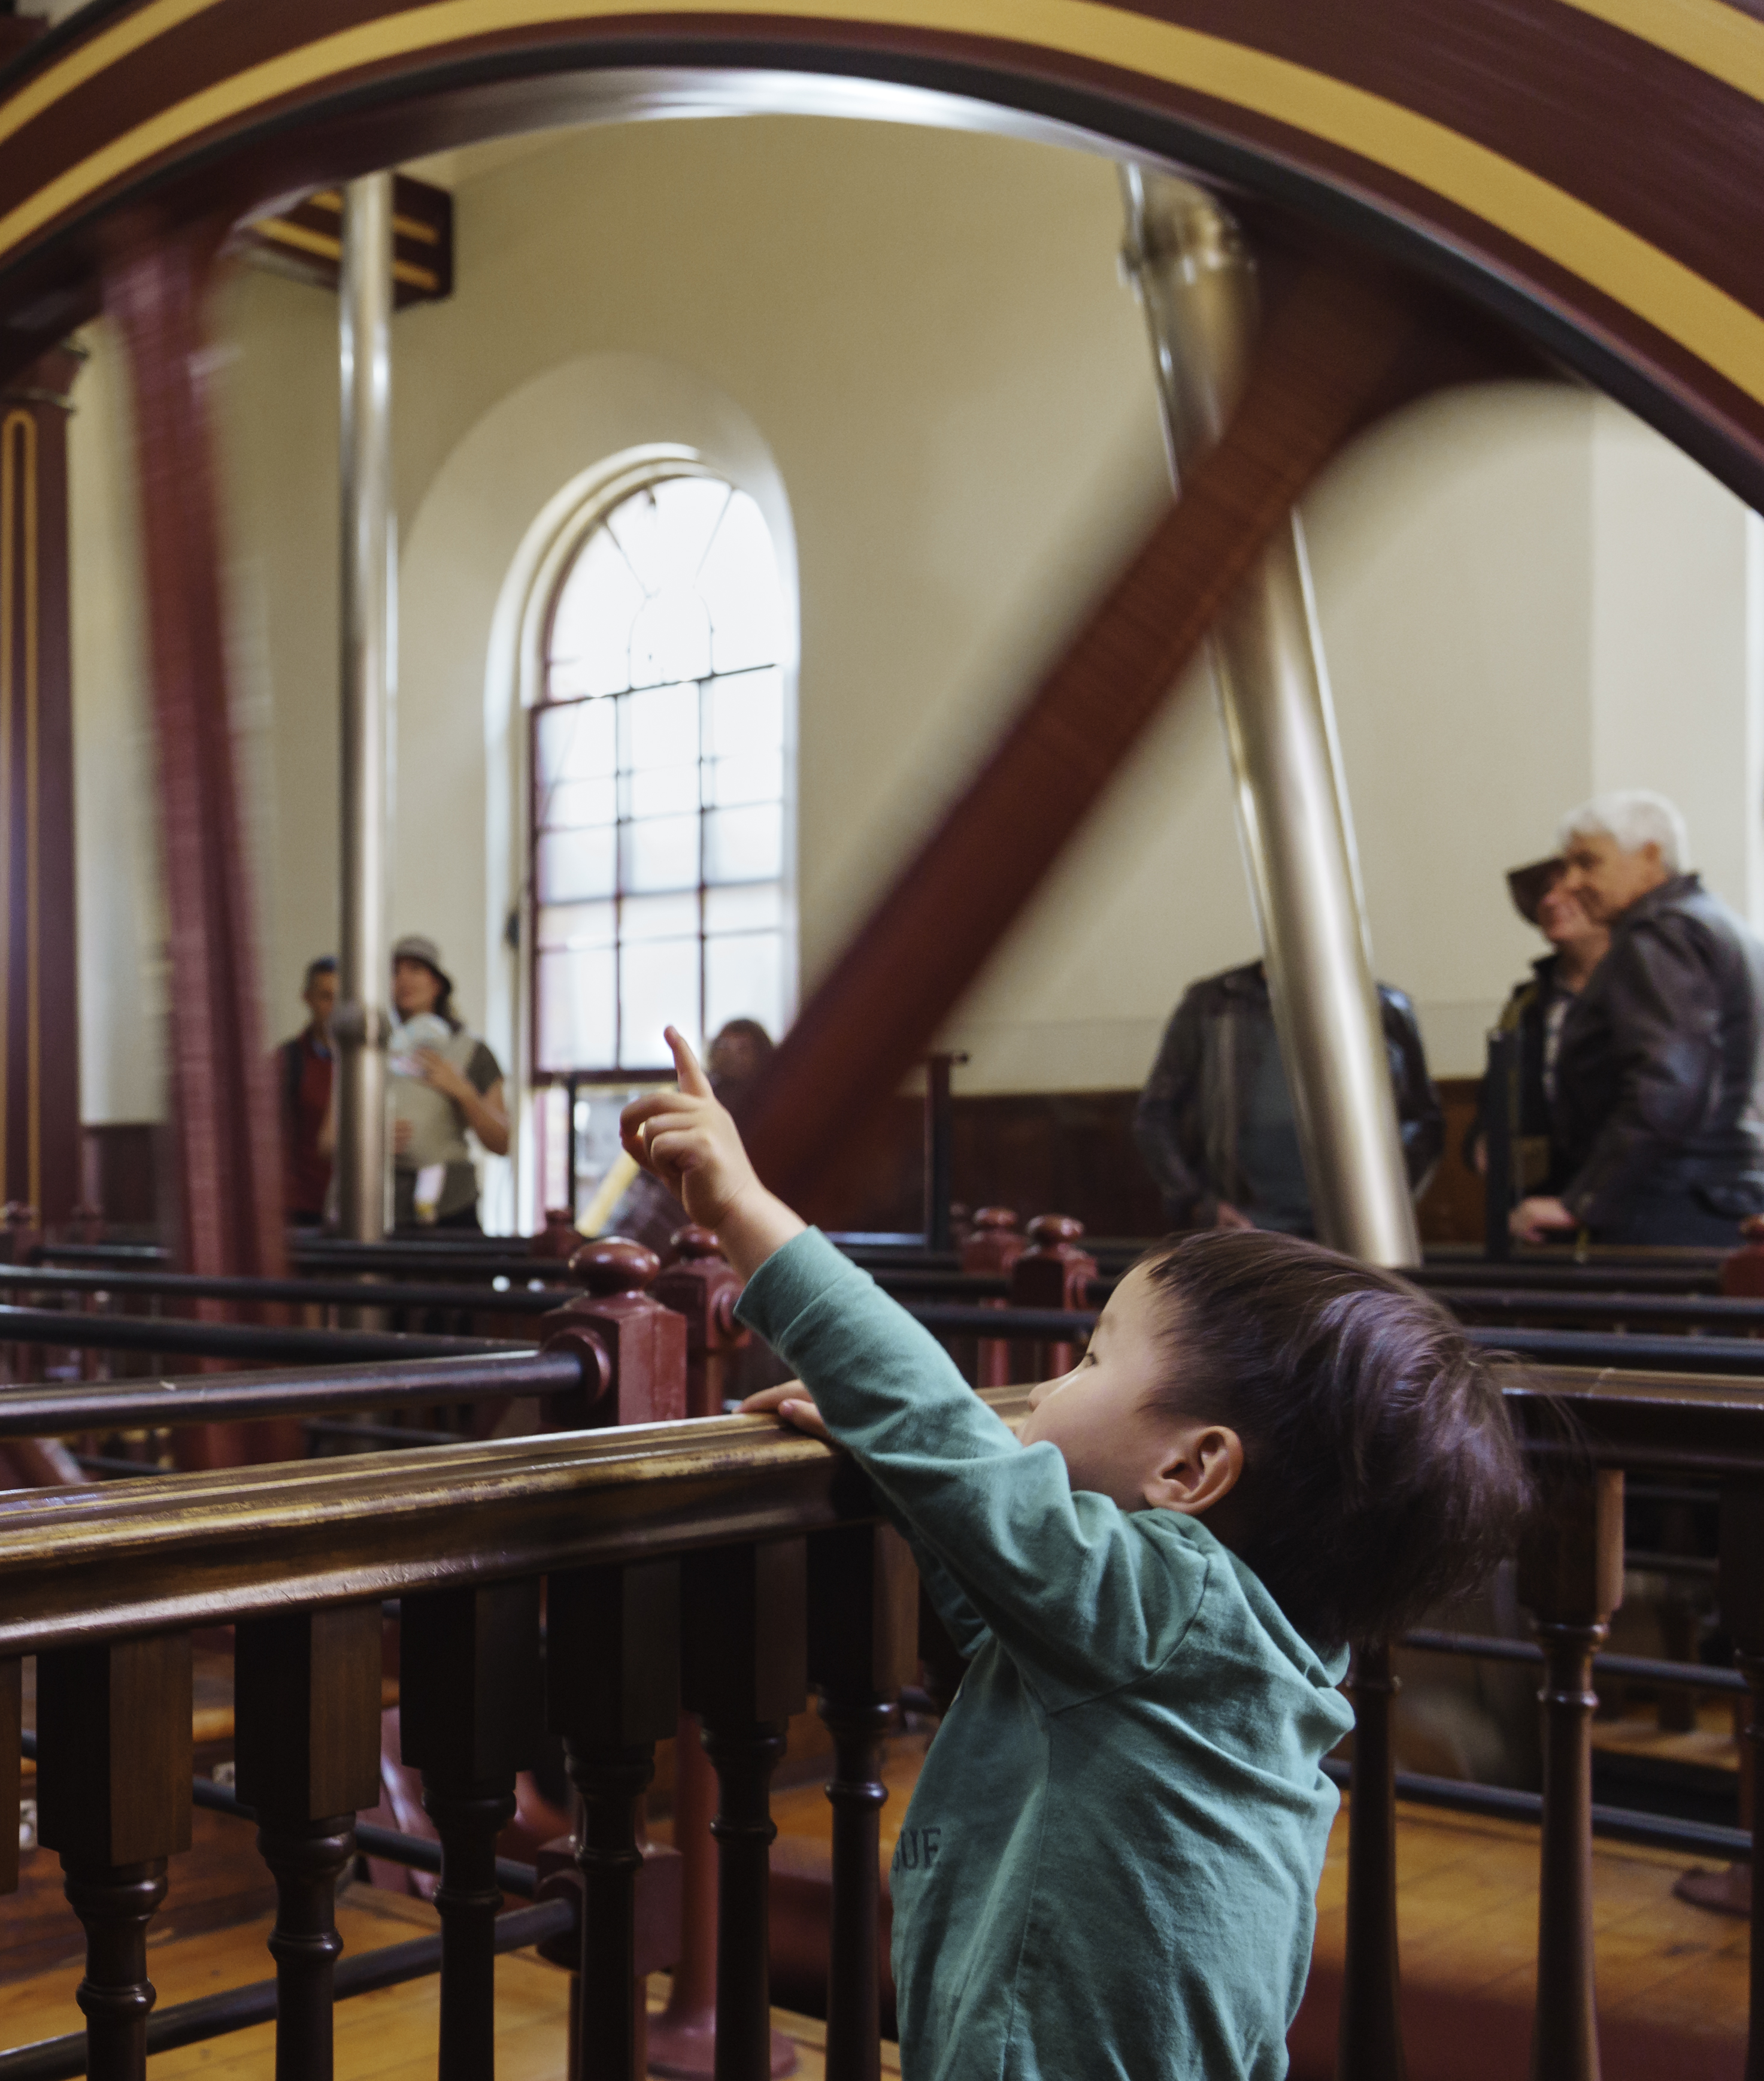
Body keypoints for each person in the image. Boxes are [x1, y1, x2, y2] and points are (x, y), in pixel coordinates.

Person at [622, 1028, 1525, 2081]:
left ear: (1191, 1473)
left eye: (1093, 1355)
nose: (1050, 1382)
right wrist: (895, 1457)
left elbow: (947, 1437)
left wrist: (743, 1209)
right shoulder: (1218, 1644)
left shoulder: (1174, 1611)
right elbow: (997, 1588)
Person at [1514, 790, 1764, 1246]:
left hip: (1664, 1207)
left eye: (1588, 863)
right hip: (1717, 1200)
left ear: (1650, 856)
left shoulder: (1659, 933)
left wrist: (1582, 1200)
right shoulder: (1719, 923)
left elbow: (1669, 1084)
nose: (1570, 883)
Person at [1131, 960, 1438, 1237]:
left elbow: (1424, 1122)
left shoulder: (1383, 1006)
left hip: (1353, 1229)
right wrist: (1197, 1203)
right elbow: (1156, 1114)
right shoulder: (1214, 1003)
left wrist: (1386, 1203)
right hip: (1242, 1228)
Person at [1489, 855, 1609, 1197]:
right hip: (1545, 1202)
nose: (1550, 901)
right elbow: (1496, 1097)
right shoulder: (1526, 1003)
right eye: (1544, 891)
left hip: (1632, 1202)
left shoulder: (1646, 993)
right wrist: (1483, 1141)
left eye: (1567, 890)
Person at [386, 935, 507, 1229]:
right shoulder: (371, 1052)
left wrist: (463, 1092)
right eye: (395, 971)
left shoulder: (473, 1051)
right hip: (384, 1206)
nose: (403, 980)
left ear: (437, 983)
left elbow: (502, 1142)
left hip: (452, 1208)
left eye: (414, 969)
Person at [274, 956, 338, 1226]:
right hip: (304, 1209)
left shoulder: (374, 1065)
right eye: (326, 997)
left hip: (361, 1204)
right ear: (308, 999)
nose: (335, 1008)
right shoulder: (287, 1061)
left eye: (343, 999)